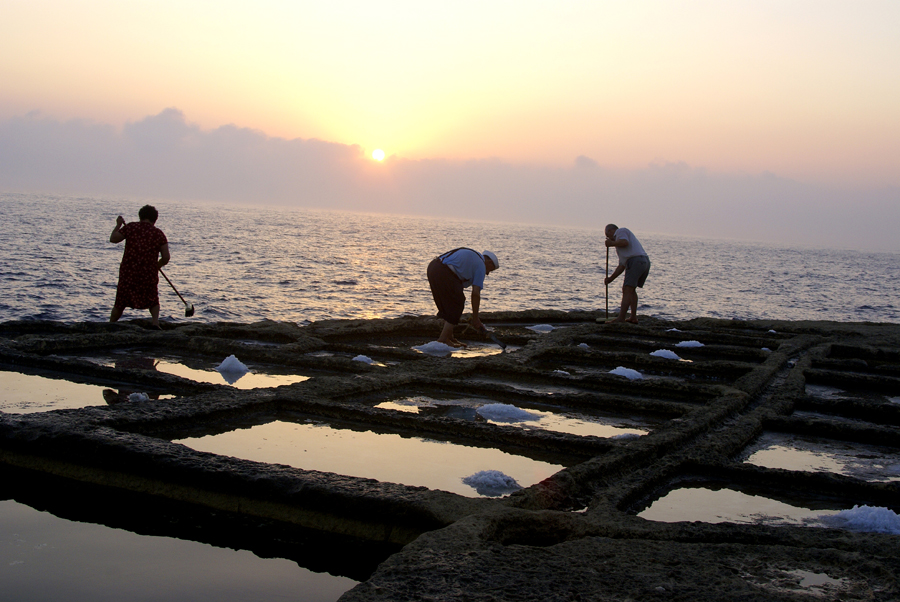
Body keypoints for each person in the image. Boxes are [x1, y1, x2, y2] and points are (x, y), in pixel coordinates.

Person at [109, 205, 170, 328]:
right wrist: (157, 266)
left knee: (121, 301)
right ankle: (155, 323)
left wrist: (118, 224)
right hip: (148, 272)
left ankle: (110, 325)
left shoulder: (131, 227)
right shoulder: (158, 234)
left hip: (128, 272)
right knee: (152, 298)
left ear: (140, 216)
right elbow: (166, 257)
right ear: (154, 219)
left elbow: (113, 239)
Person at [427, 248, 499, 347]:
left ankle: (449, 337)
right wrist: (475, 319)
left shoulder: (474, 257)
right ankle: (443, 340)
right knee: (458, 302)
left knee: (449, 305)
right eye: (491, 269)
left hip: (433, 267)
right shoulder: (481, 265)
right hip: (443, 271)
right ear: (489, 262)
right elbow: (476, 294)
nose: (488, 273)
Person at [604, 224, 650, 324]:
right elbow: (621, 266)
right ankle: (633, 317)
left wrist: (611, 243)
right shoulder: (619, 248)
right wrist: (610, 279)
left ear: (611, 231)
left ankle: (621, 318)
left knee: (627, 289)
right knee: (632, 290)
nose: (608, 238)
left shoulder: (621, 231)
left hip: (636, 261)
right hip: (643, 262)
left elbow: (625, 242)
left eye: (607, 235)